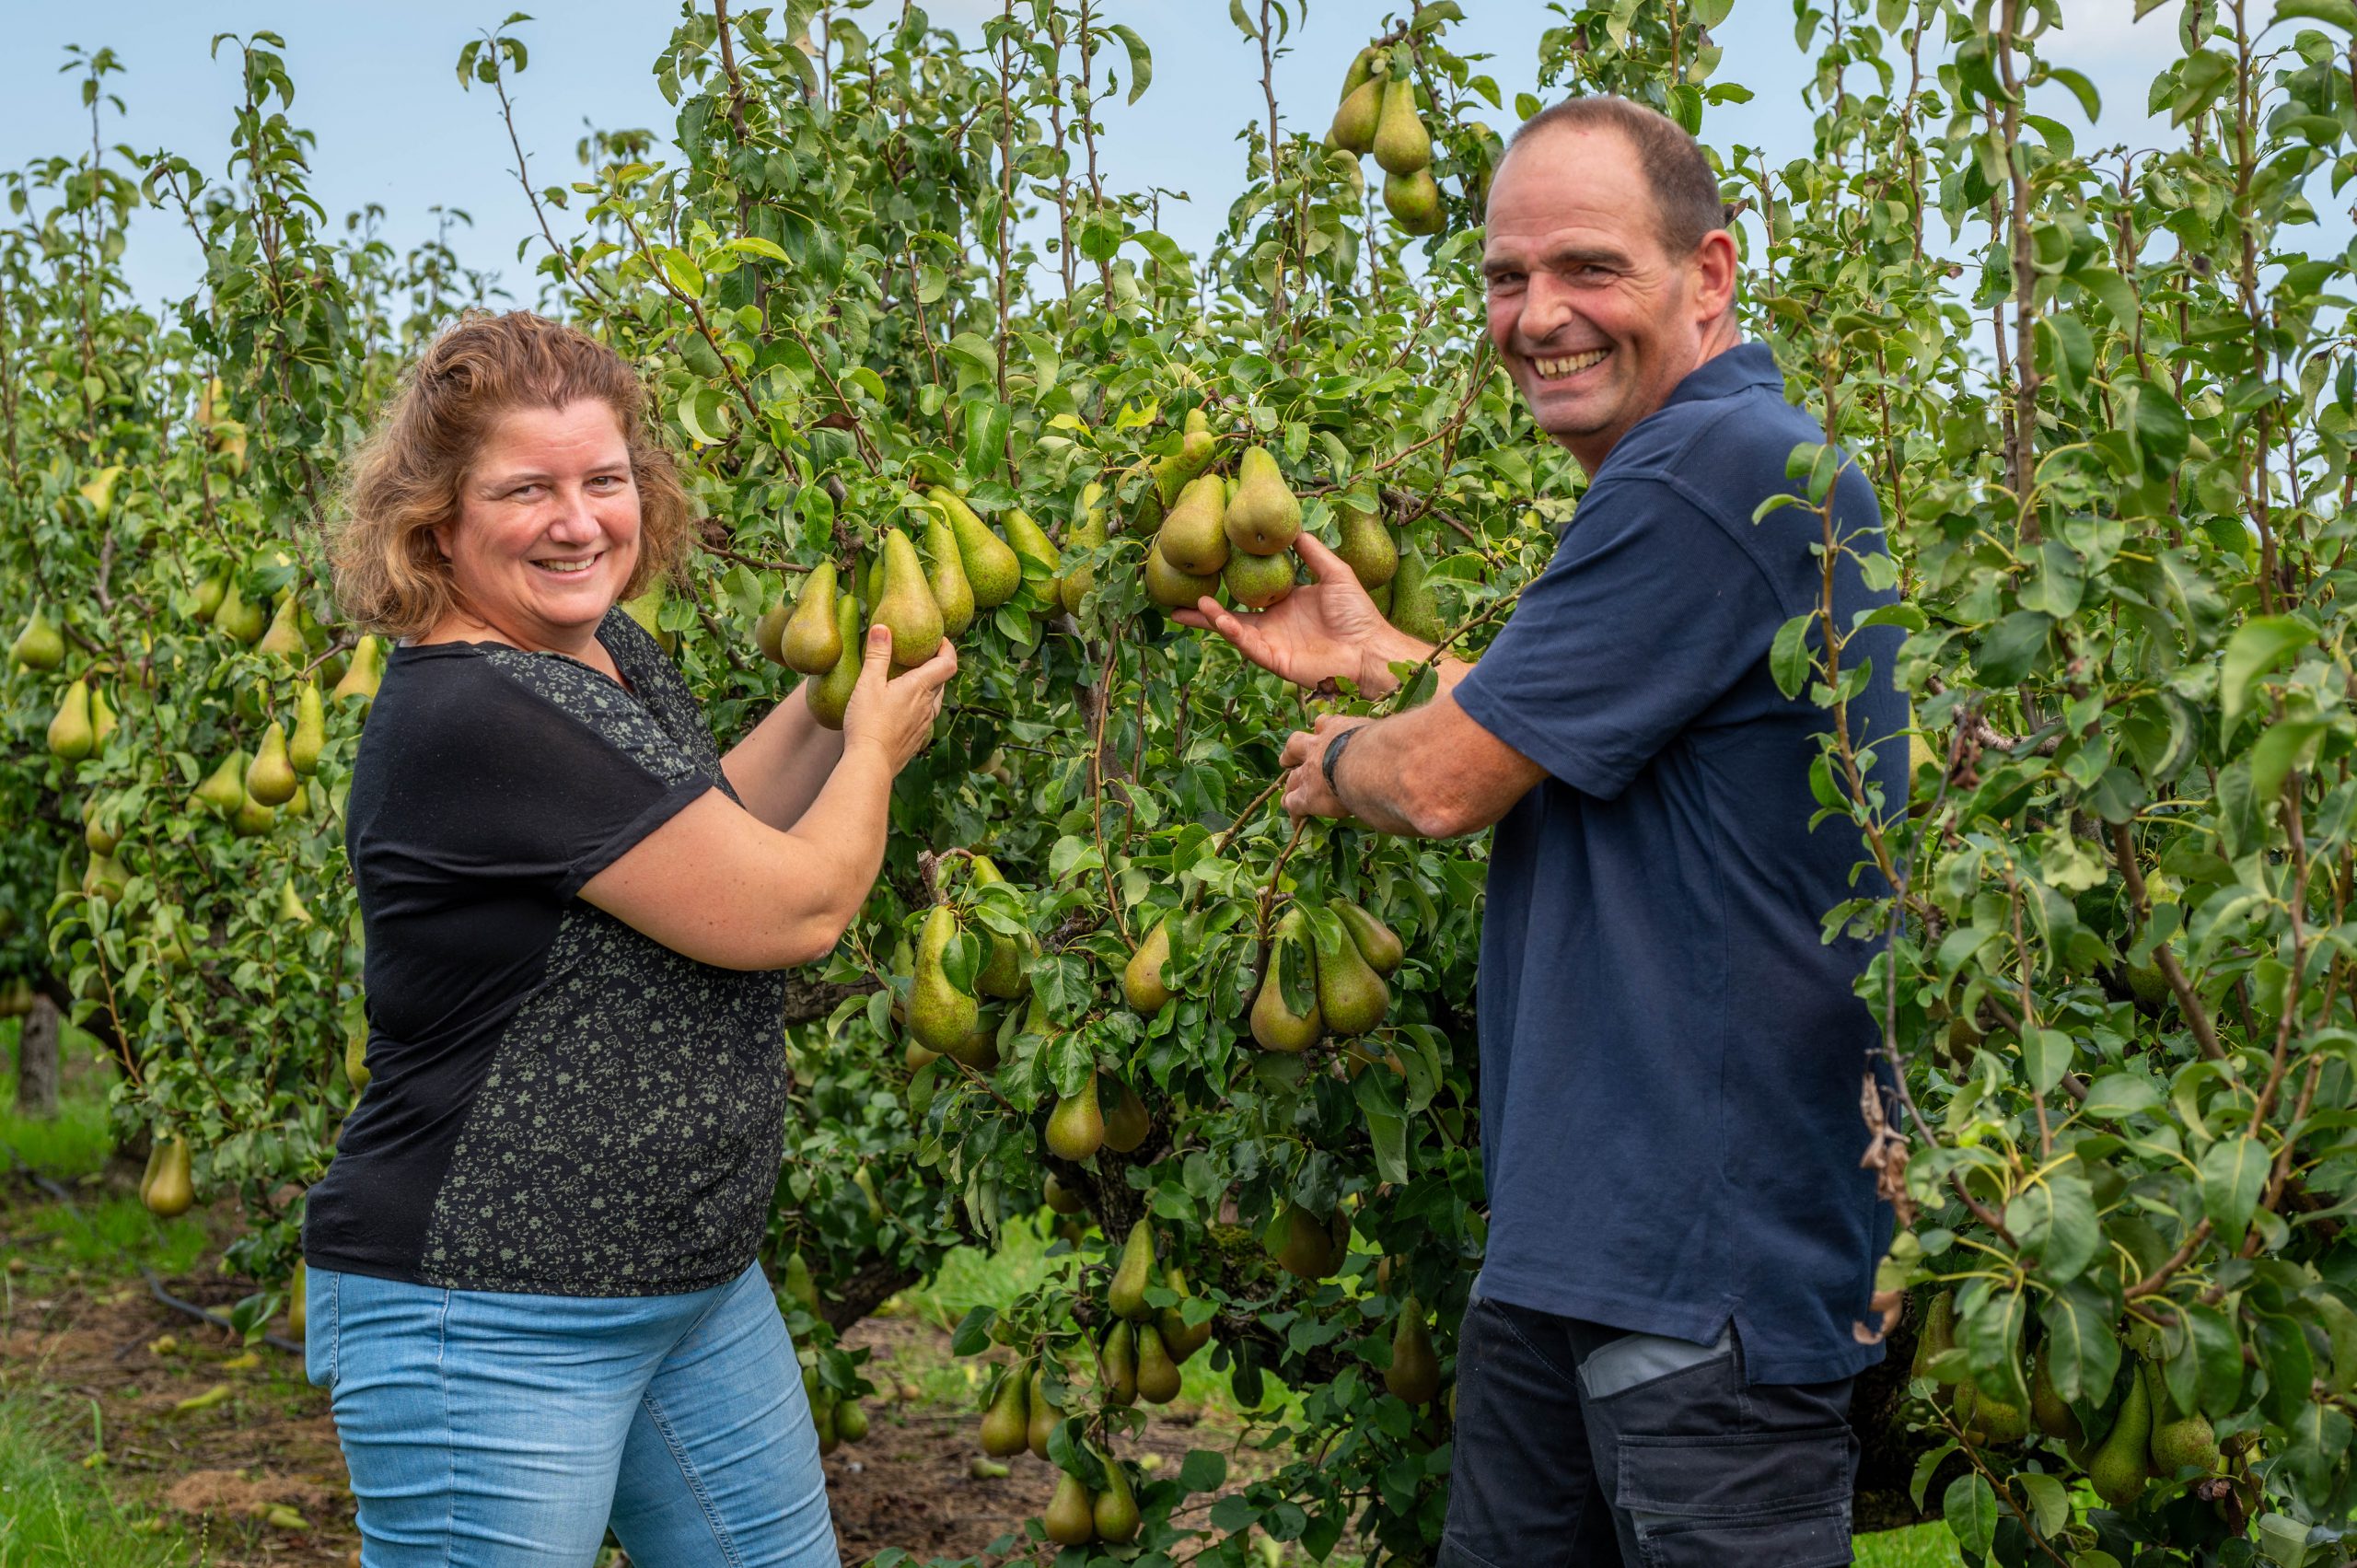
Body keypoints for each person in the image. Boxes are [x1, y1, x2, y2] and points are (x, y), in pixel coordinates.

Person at [1181, 98, 1907, 1565]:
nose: (1538, 316)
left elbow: (1446, 785)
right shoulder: (1705, 471)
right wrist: (1385, 663)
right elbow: (1582, 743)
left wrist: (1346, 756)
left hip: (1696, 1258)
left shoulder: (1717, 469)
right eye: (1509, 278)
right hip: (1588, 1234)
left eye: (1588, 267)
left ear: (1709, 276)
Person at [307, 310, 954, 1568]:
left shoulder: (598, 654)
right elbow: (793, 908)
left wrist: (850, 674)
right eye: (526, 490)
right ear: (435, 520)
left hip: (689, 1287)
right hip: (488, 1312)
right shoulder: (474, 711)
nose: (577, 520)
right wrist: (875, 749)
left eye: (604, 482)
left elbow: (710, 832)